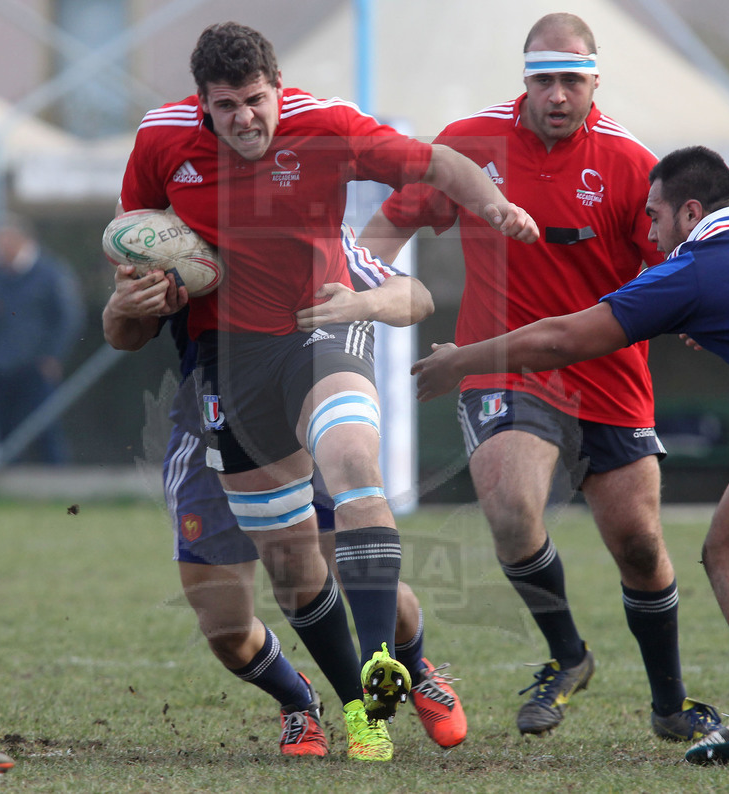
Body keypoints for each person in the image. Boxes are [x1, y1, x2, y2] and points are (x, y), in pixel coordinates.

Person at [115, 21, 536, 760]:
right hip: (221, 367)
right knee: (276, 575)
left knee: (351, 465)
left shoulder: (327, 138)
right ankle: (338, 705)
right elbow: (132, 263)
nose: (244, 118)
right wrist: (129, 302)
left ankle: (395, 664)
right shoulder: (162, 143)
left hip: (318, 332)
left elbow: (431, 193)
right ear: (202, 105)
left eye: (254, 100)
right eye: (225, 107)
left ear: (279, 90)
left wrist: (492, 207)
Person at [360, 12, 720, 741]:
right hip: (503, 367)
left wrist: (696, 312)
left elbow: (671, 267)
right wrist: (354, 282)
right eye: (543, 80)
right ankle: (566, 657)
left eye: (571, 81)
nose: (557, 95)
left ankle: (669, 706)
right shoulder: (468, 145)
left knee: (640, 544)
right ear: (523, 80)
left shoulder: (630, 164)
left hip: (609, 374)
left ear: (595, 81)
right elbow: (391, 222)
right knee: (510, 506)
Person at [409, 145, 729, 765]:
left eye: (654, 217)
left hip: (594, 392)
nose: (649, 232)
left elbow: (561, 337)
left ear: (690, 211)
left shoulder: (695, 268)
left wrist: (459, 361)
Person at [102, 224, 468, 759]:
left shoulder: (297, 218)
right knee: (225, 627)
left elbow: (413, 294)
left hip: (296, 412)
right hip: (209, 419)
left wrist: (359, 303)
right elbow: (123, 334)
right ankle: (300, 702)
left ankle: (410, 669)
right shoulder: (179, 237)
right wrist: (124, 303)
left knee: (358, 577)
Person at [0, 214, 83, 464]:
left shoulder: (51, 272)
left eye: (2, 242)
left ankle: (60, 487)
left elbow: (69, 318)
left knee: (45, 428)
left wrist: (53, 355)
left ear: (20, 240)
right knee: (5, 433)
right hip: (2, 366)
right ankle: (7, 492)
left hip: (36, 367)